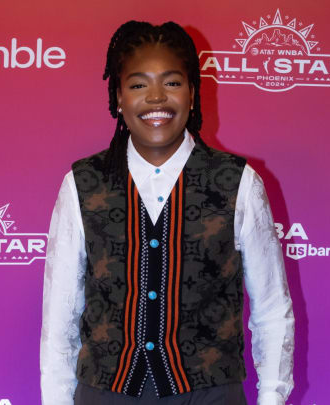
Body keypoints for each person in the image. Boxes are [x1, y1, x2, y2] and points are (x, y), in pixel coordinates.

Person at [40, 21, 294, 405]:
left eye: (172, 83)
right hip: (105, 395)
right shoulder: (83, 183)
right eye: (138, 85)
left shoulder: (238, 182)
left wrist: (272, 398)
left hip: (210, 396)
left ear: (193, 94)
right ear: (118, 97)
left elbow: (272, 309)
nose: (156, 98)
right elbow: (60, 318)